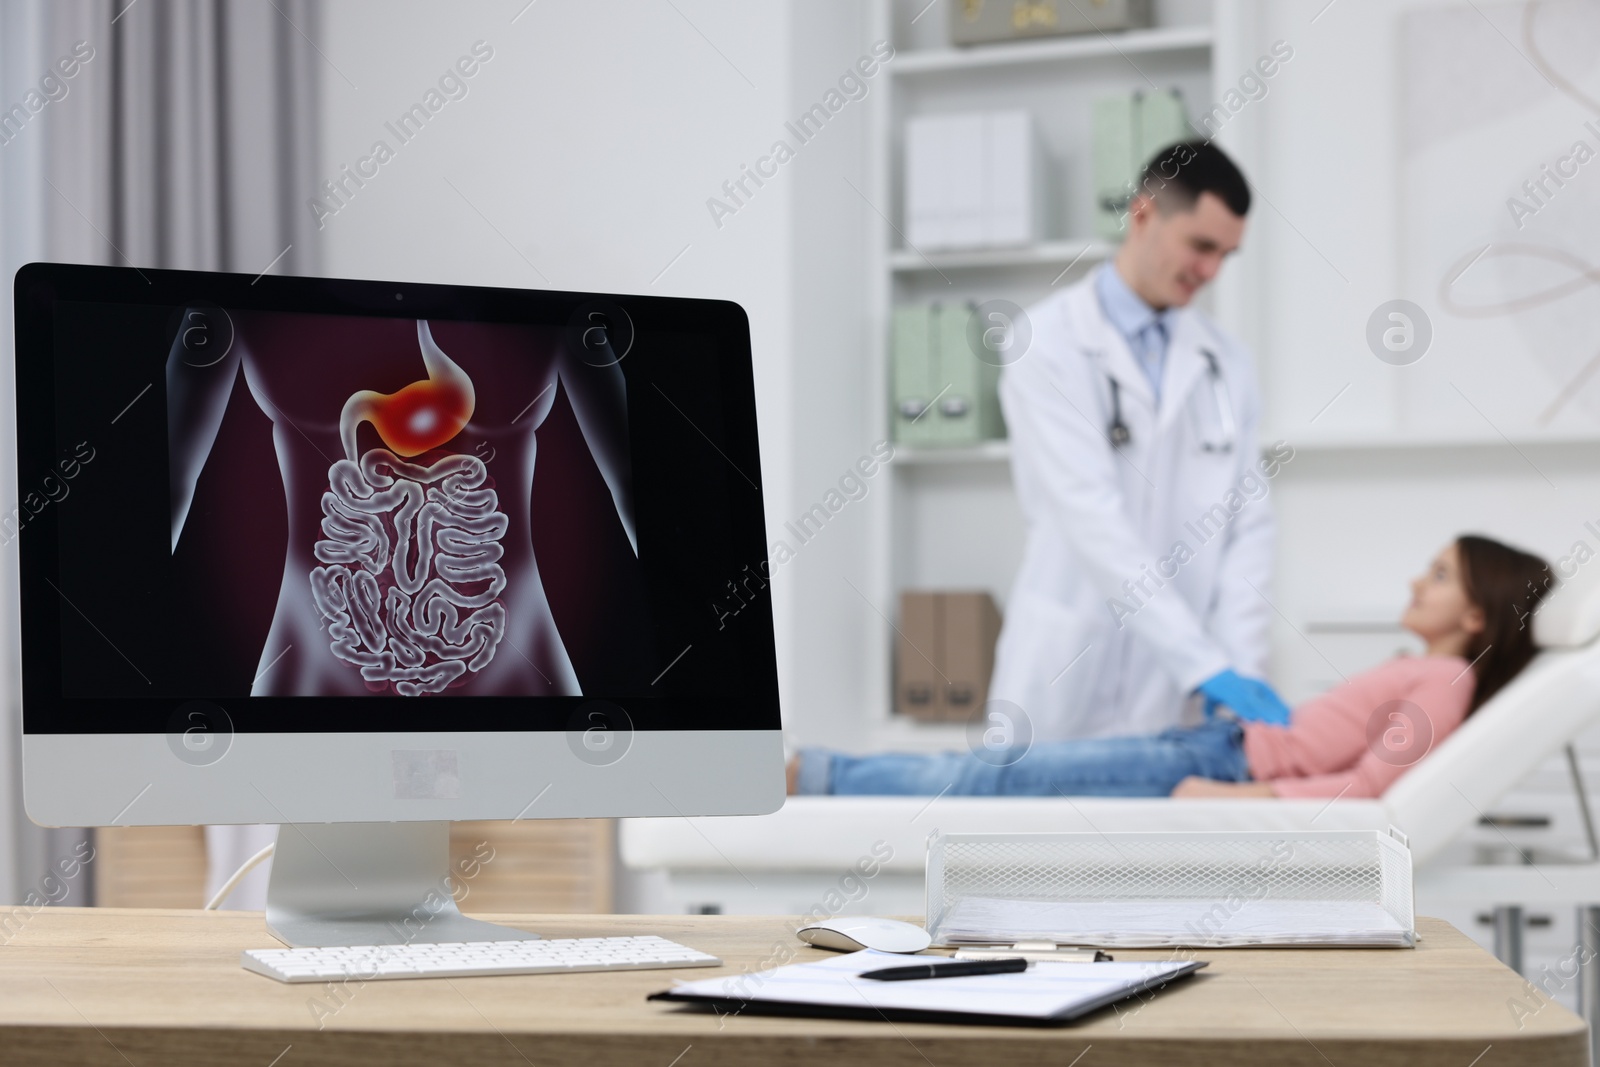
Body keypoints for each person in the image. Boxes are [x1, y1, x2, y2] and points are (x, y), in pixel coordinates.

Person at [791, 536, 1550, 799]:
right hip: (1221, 745)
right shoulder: (1429, 672)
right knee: (1006, 768)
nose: (1420, 581)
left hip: (1222, 764)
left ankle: (819, 775)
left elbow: (1365, 789)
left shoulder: (1445, 684)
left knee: (1003, 774)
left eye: (1441, 574)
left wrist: (1236, 799)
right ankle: (824, 773)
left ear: (1478, 614)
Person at [992, 140, 1287, 741]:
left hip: (1176, 687)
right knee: (1032, 832)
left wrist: (1240, 668)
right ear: (1143, 215)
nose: (1210, 272)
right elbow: (1091, 517)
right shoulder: (1045, 343)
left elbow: (1248, 528)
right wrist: (1201, 664)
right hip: (1066, 672)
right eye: (1201, 246)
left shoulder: (1225, 362)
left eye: (1226, 255)